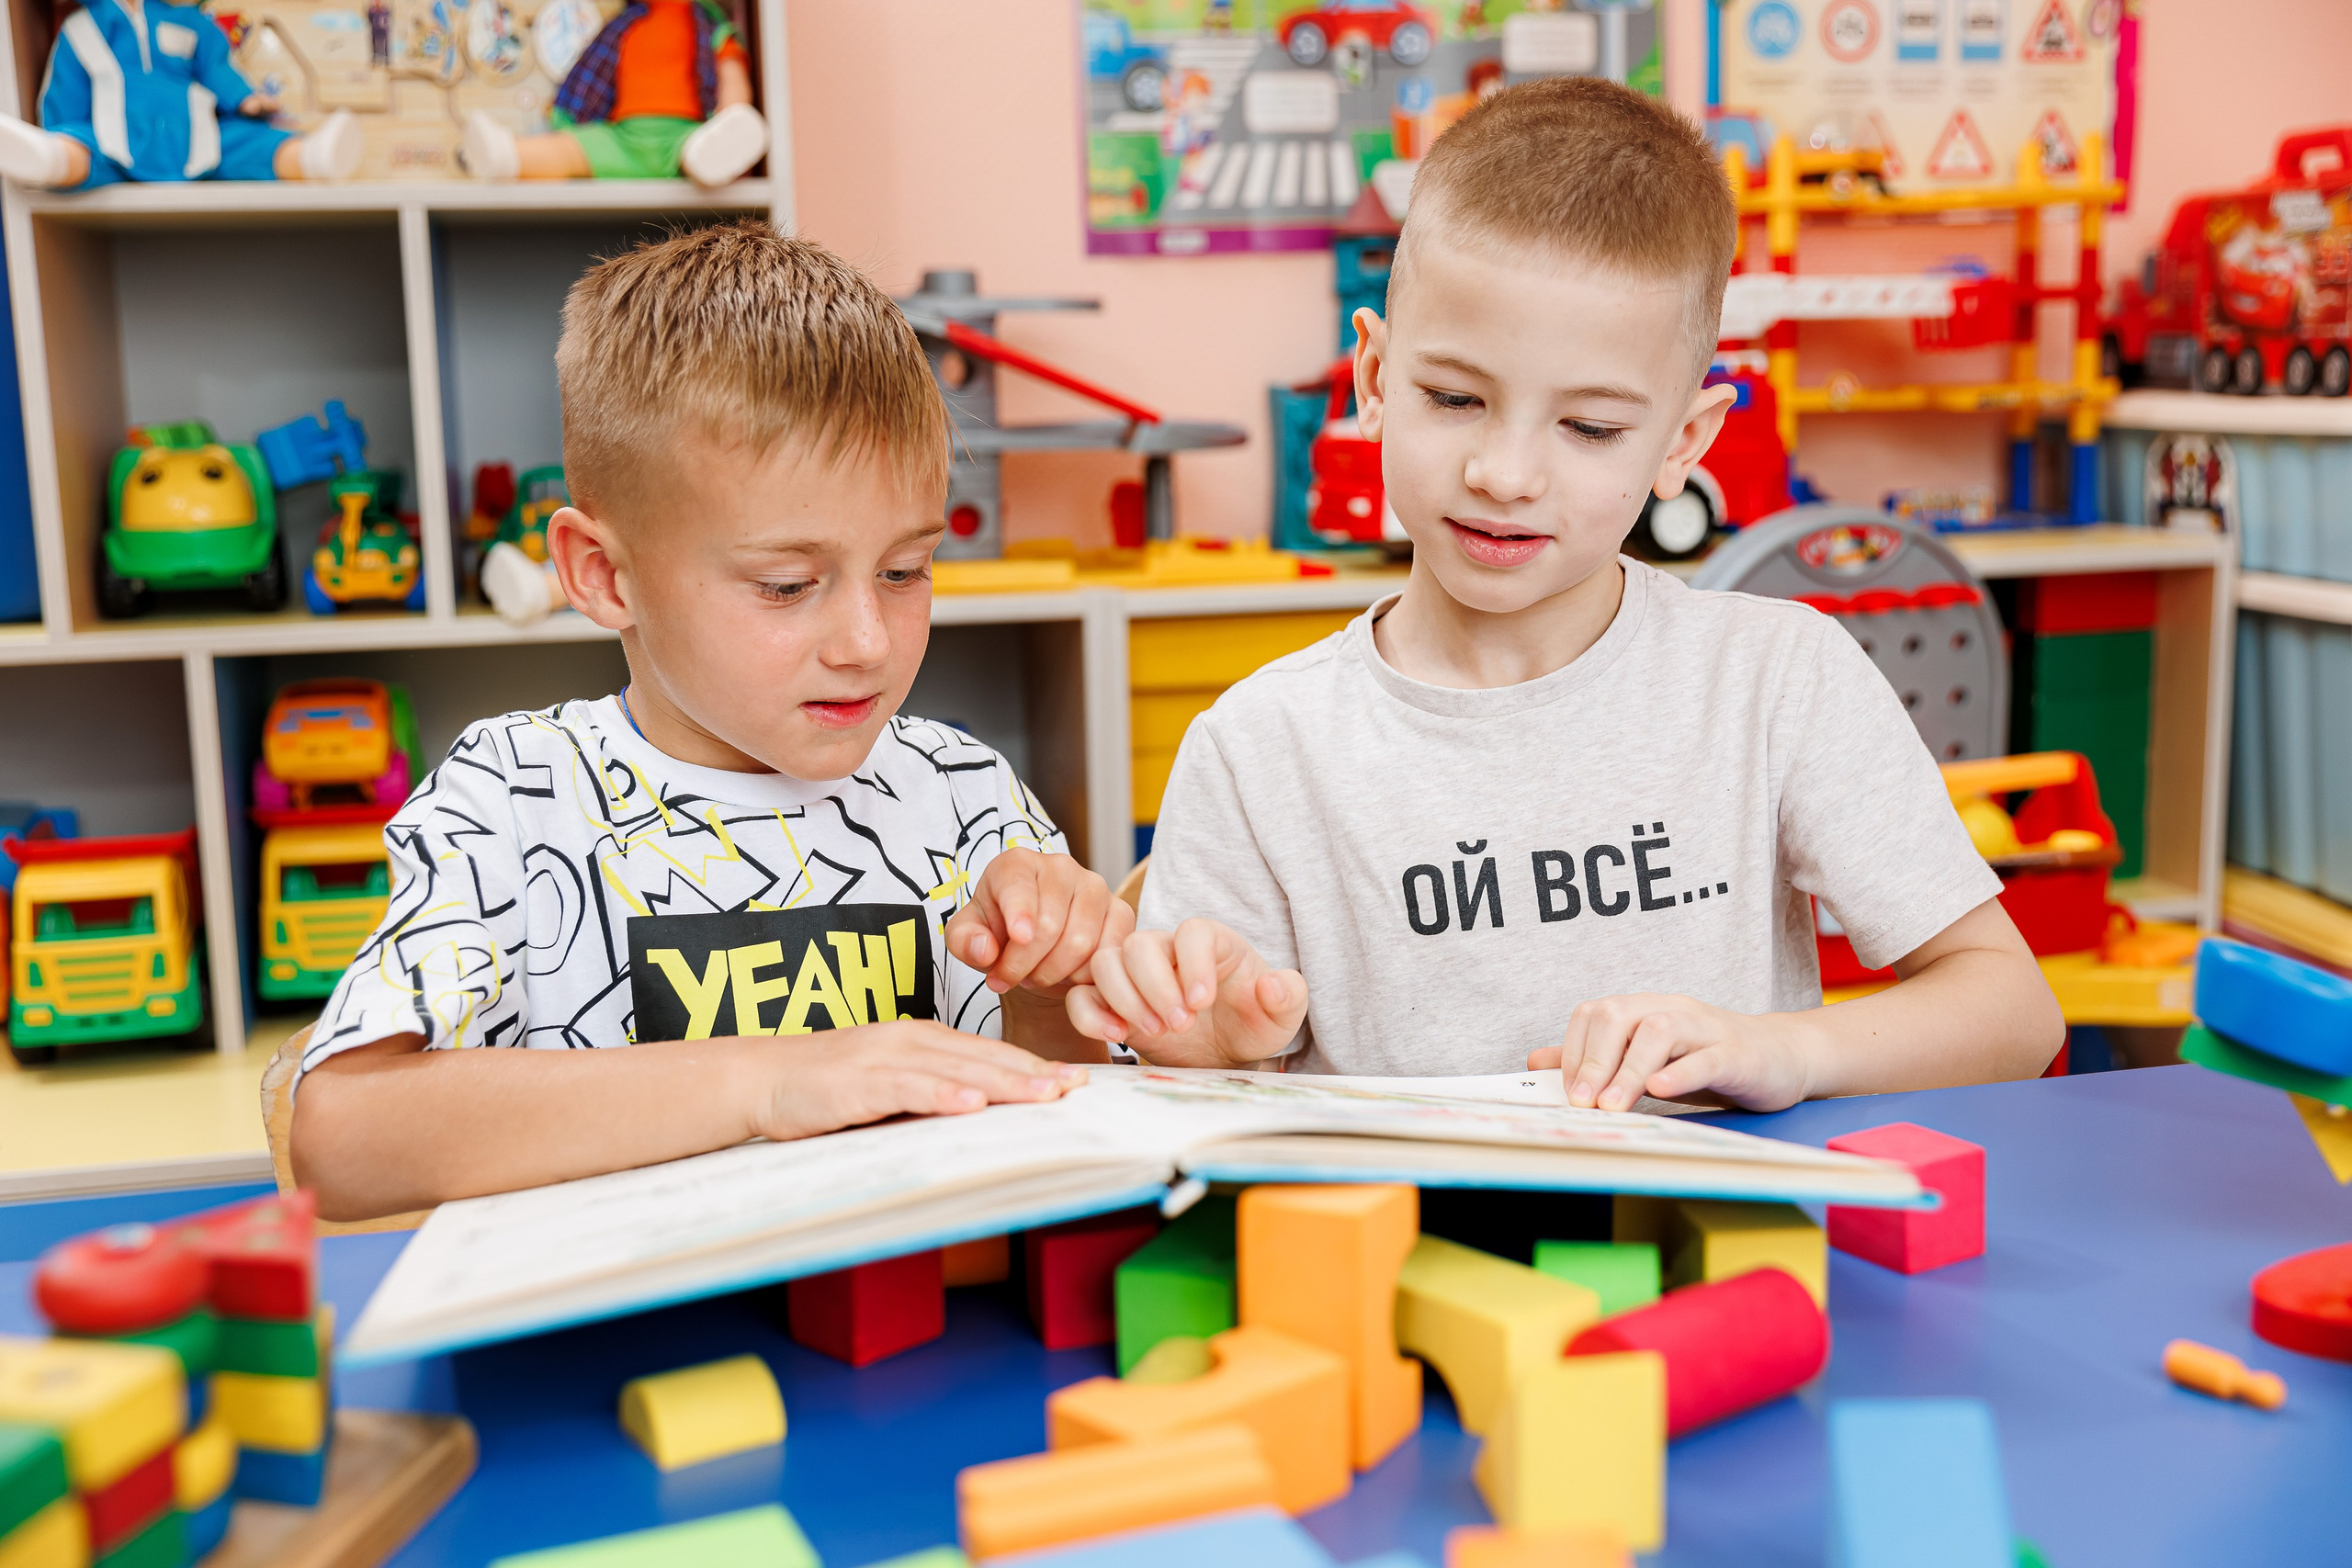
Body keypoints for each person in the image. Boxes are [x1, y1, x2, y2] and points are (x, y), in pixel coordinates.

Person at [1070, 78, 2064, 1113]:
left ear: (1684, 442)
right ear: (1371, 380)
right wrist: (1208, 1055)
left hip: (1719, 1255)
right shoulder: (1259, 748)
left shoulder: (1778, 678)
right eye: (1453, 398)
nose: (1505, 473)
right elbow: (1191, 1106)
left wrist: (1781, 1049)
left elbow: (2013, 1011)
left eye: (1588, 428)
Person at [292, 224, 1125, 1222]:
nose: (866, 638)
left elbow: (1063, 1117)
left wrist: (1043, 996)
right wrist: (770, 1083)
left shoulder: (966, 795)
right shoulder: (512, 798)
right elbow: (341, 1137)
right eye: (786, 585)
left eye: (904, 571)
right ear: (603, 574)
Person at [0, 0, 360, 189]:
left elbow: (216, 67)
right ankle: (48, 159)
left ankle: (309, 157)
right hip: (116, 138)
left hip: (192, 134)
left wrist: (244, 98)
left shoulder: (188, 22)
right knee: (81, 146)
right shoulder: (83, 29)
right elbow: (67, 86)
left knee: (245, 143)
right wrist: (59, 131)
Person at [458, 0, 766, 188]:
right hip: (622, 139)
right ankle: (509, 155)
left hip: (686, 137)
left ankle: (724, 148)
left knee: (704, 152)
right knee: (575, 149)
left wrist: (732, 115)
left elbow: (731, 74)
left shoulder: (709, 25)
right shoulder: (622, 25)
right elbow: (591, 75)